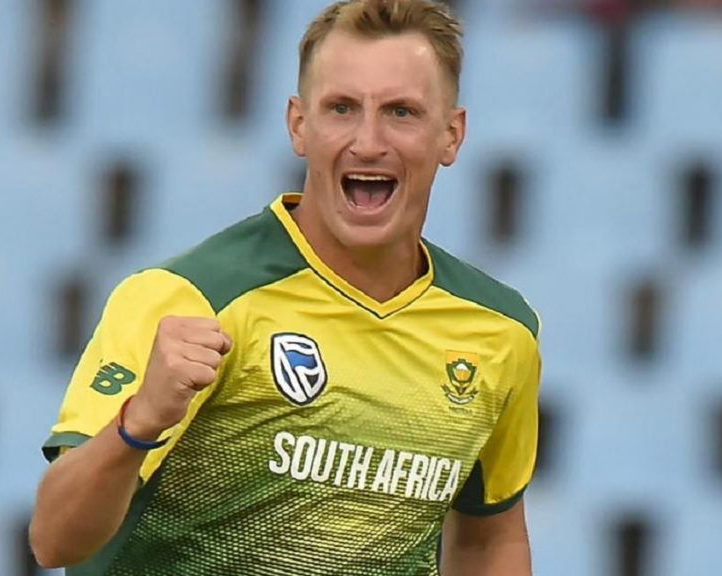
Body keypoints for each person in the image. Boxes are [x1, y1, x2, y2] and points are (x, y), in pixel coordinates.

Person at [30, 1, 542, 574]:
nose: (368, 142)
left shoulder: (500, 331)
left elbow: (489, 540)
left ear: (452, 135)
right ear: (299, 125)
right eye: (342, 108)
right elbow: (54, 540)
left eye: (401, 112)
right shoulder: (190, 299)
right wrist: (138, 422)